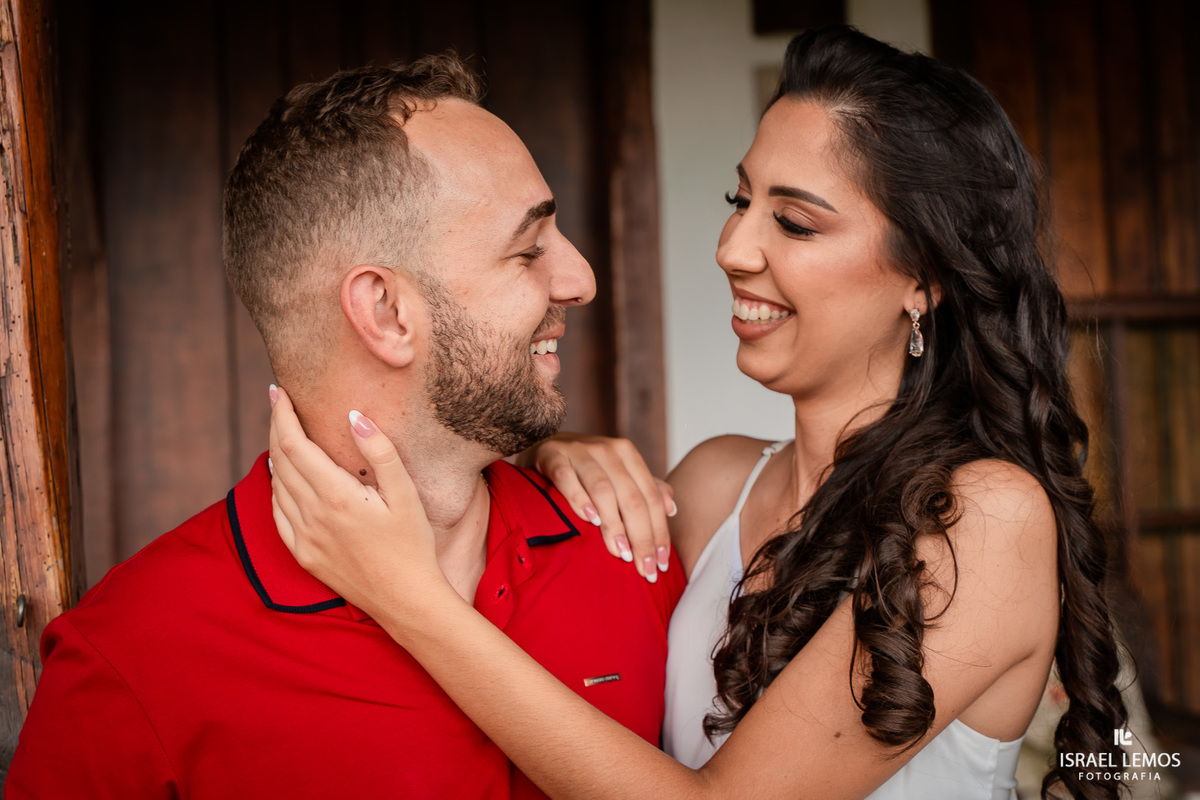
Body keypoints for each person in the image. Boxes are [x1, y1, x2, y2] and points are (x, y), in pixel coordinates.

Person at [268, 27, 1129, 800]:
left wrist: (405, 596)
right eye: (739, 201)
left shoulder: (983, 517)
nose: (732, 249)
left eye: (793, 222)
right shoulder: (714, 482)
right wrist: (546, 454)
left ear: (925, 278)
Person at [6, 55, 683, 799]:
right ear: (387, 314)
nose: (579, 280)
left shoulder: (629, 543)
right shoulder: (131, 657)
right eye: (529, 249)